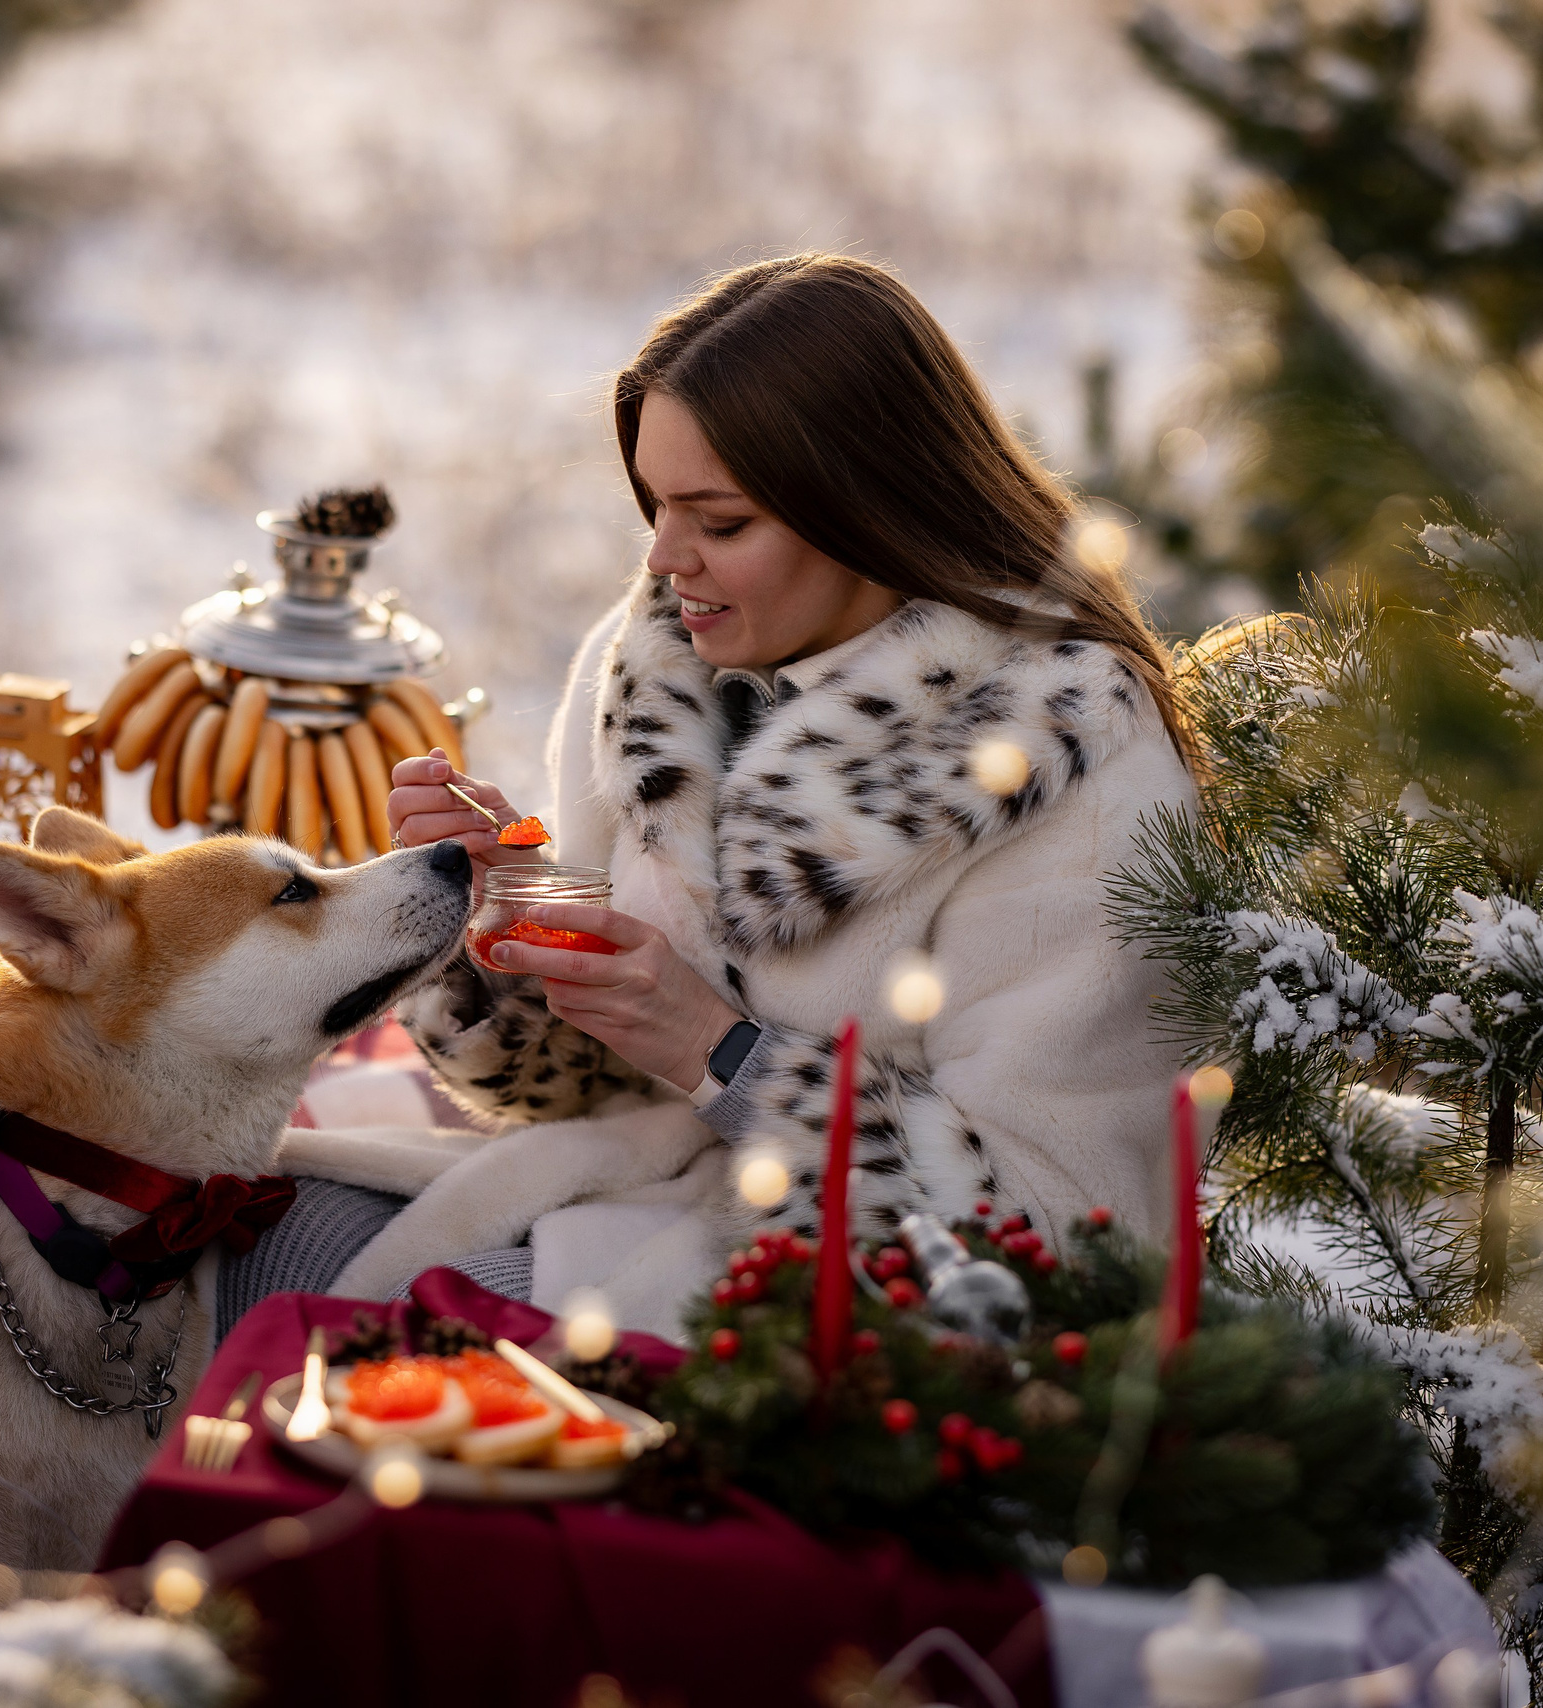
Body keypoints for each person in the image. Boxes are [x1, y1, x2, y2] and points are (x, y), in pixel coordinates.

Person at [225, 252, 1195, 1340]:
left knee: (295, 1329)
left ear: (866, 506)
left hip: (842, 1327)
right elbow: (583, 1079)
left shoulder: (1066, 769)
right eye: (653, 503)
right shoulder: (662, 660)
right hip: (619, 1191)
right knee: (192, 1233)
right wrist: (511, 909)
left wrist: (720, 1053)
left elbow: (1069, 1242)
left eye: (719, 521)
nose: (662, 556)